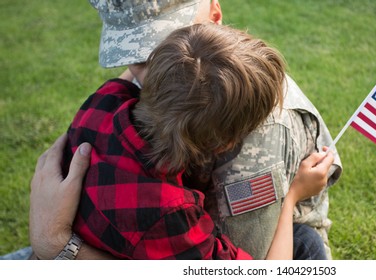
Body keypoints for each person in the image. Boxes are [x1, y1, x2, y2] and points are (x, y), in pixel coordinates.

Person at [3, 0, 342, 260]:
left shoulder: (106, 101)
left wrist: (58, 245)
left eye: (162, 49)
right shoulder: (173, 212)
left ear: (214, 13)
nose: (150, 78)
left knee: (306, 244)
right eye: (137, 57)